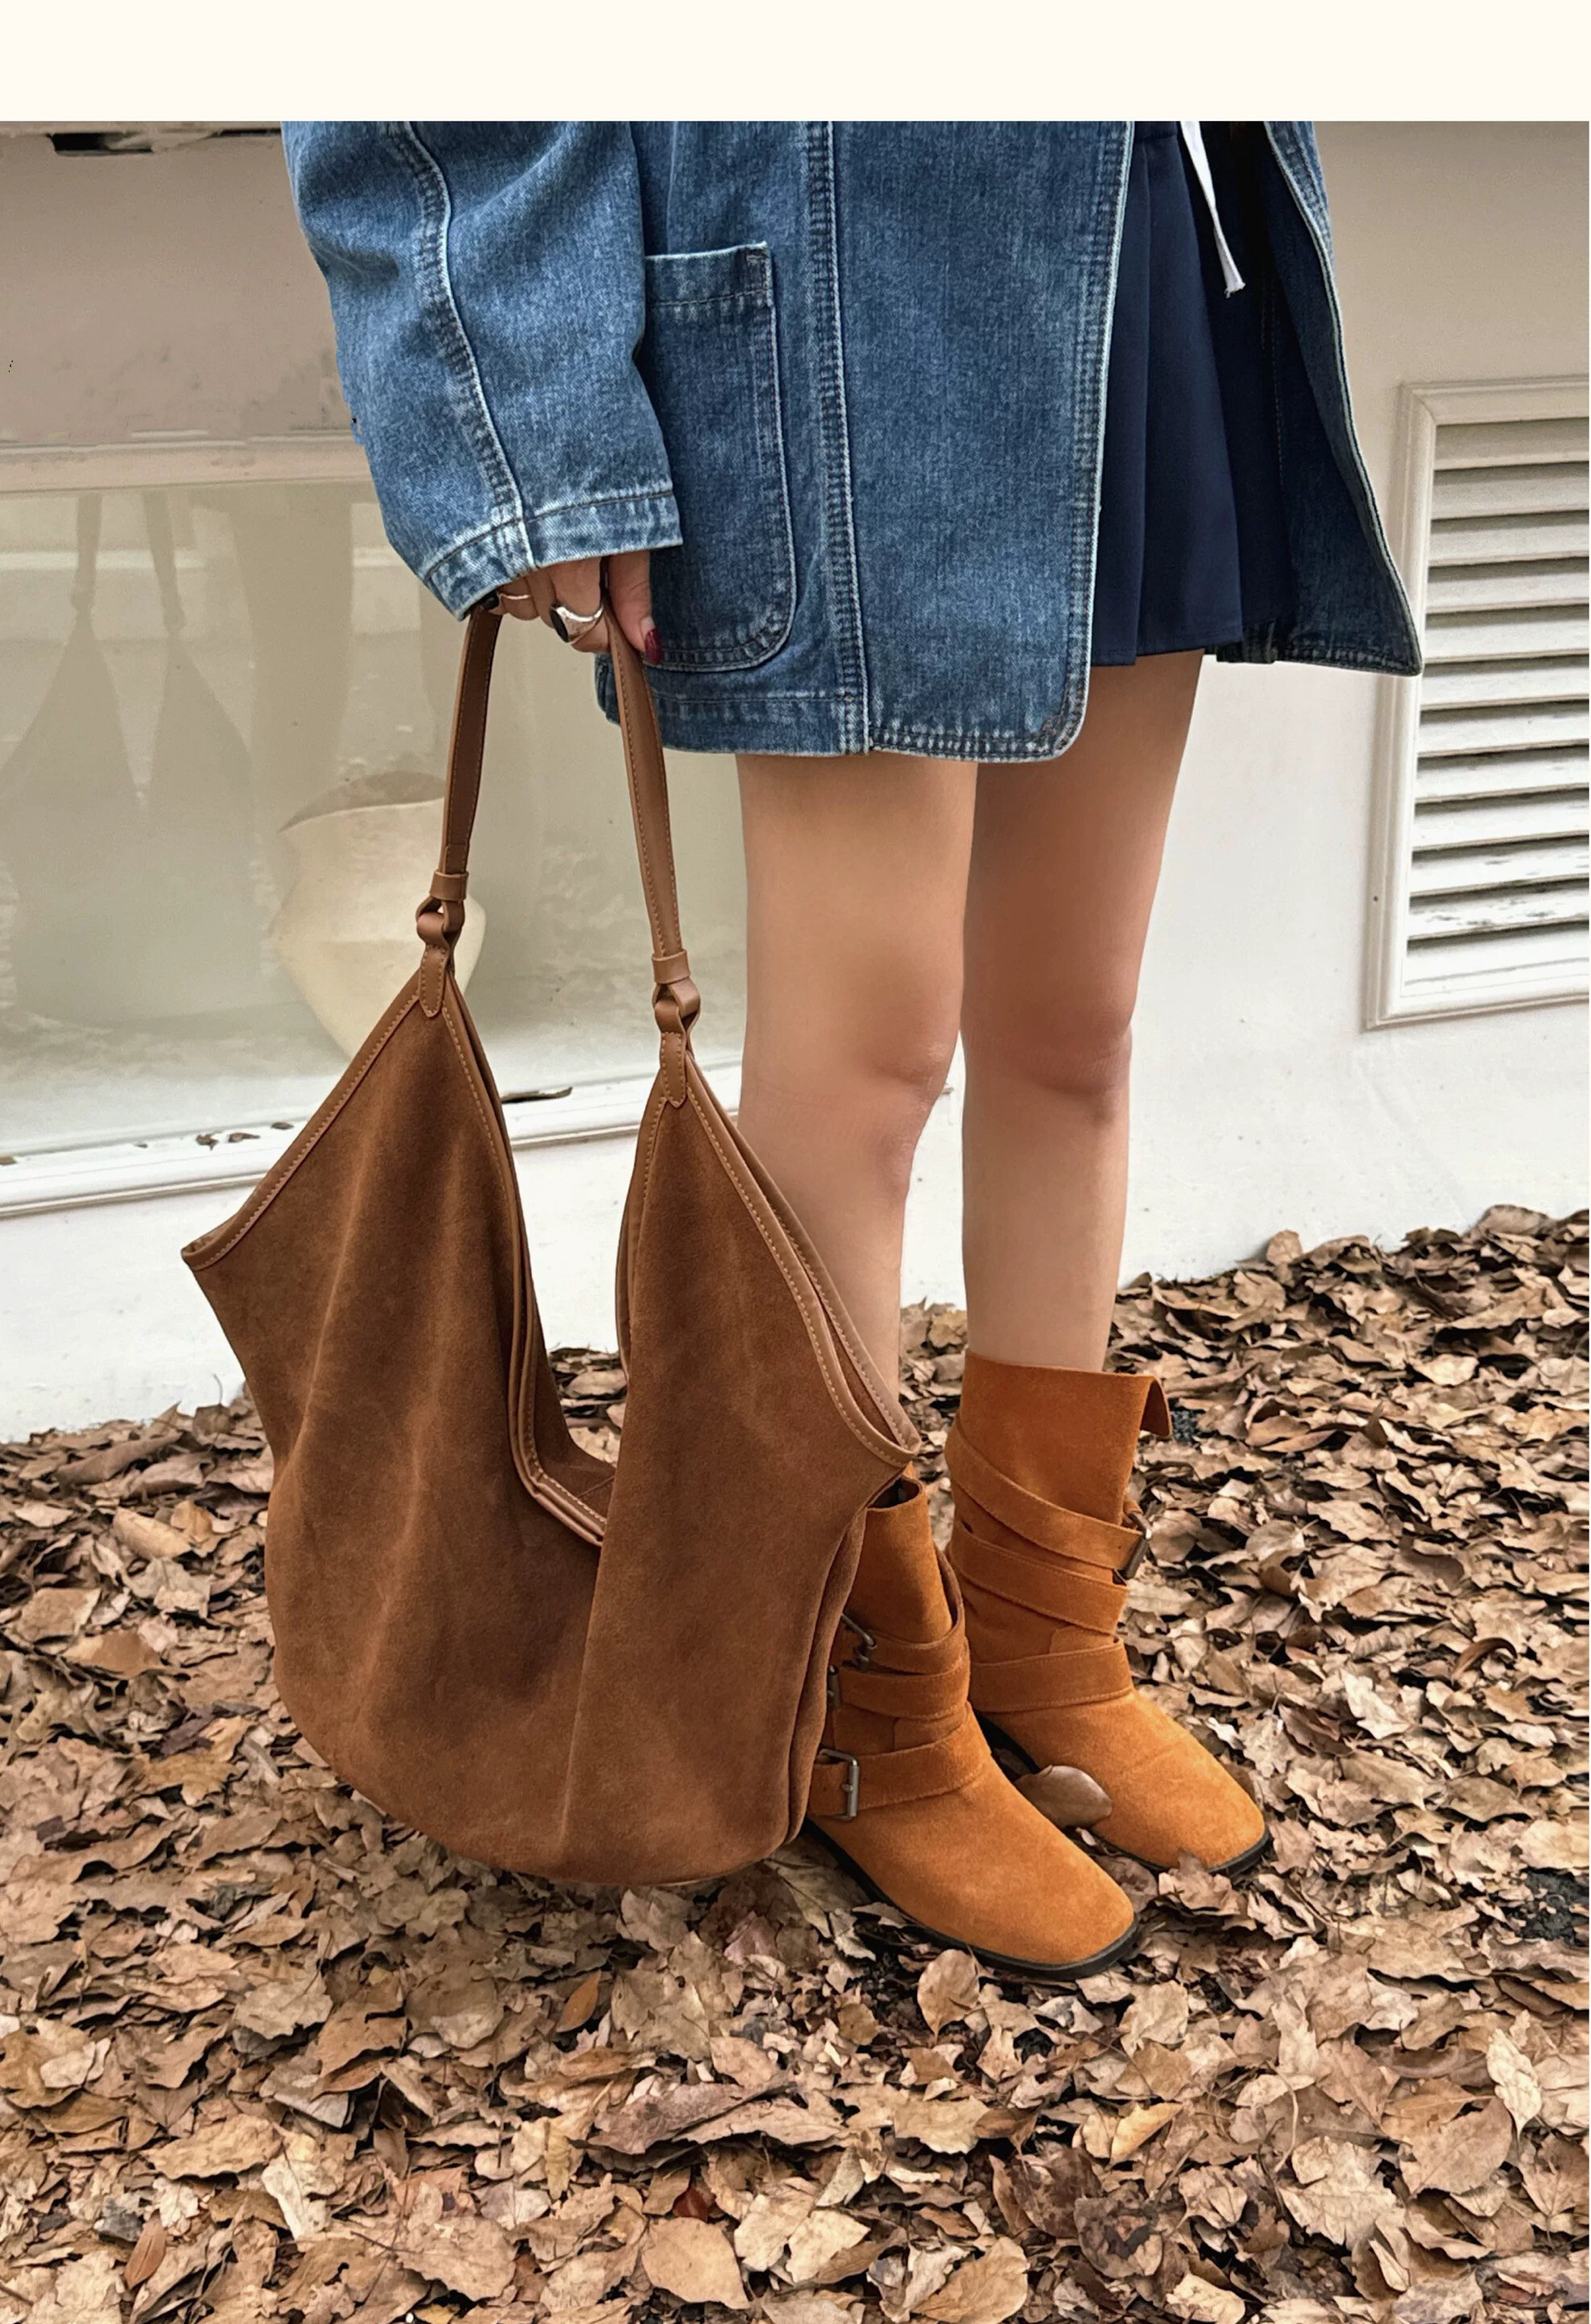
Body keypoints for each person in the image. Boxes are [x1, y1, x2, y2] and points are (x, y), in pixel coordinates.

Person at [281, 121, 1419, 1974]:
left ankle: (1044, 1633)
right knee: (862, 1067)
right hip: (841, 300)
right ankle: (859, 1700)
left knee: (1073, 1026)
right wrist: (534, 419)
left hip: (1135, 247)